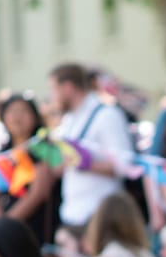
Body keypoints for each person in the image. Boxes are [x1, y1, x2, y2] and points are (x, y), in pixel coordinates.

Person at [50, 62, 136, 231]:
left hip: (101, 214)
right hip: (73, 213)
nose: (52, 97)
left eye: (54, 89)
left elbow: (126, 165)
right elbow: (64, 166)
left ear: (67, 87)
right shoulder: (69, 120)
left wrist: (88, 164)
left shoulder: (107, 114)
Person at [0, 92, 59, 246]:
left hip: (37, 225)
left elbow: (38, 193)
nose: (17, 117)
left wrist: (6, 222)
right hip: (6, 226)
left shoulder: (44, 147)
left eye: (23, 111)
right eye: (12, 111)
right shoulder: (3, 151)